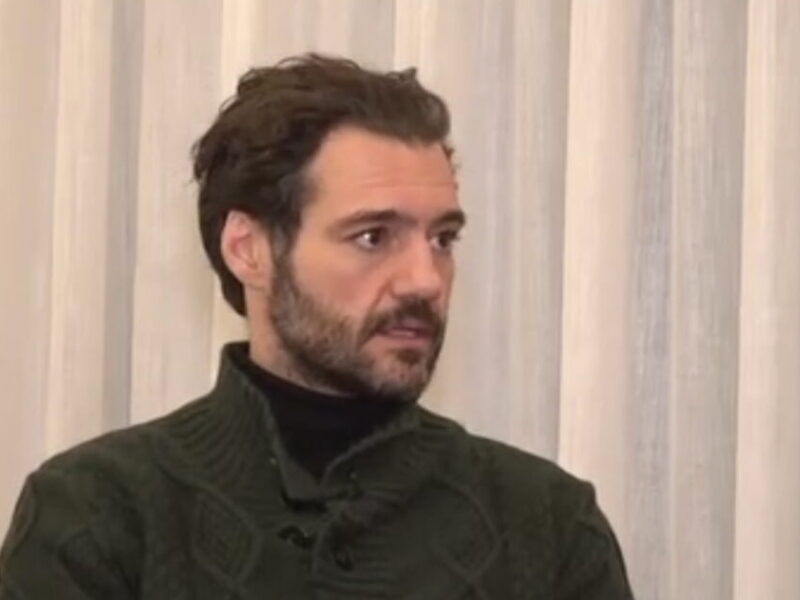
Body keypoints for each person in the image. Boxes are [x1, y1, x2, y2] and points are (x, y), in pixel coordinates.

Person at [0, 54, 633, 599]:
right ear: (249, 250)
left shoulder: (547, 524)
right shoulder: (94, 515)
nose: (425, 280)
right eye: (372, 236)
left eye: (442, 238)